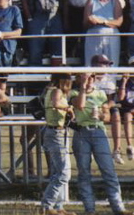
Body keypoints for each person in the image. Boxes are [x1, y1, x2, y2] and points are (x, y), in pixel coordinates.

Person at [70, 73, 134, 215]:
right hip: (81, 133)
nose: (89, 80)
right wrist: (83, 87)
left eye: (92, 77)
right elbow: (79, 105)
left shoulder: (100, 94)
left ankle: (118, 207)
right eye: (86, 77)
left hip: (99, 131)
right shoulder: (73, 93)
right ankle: (89, 208)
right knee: (84, 172)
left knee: (108, 170)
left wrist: (100, 115)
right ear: (78, 79)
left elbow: (107, 116)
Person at [40, 73, 75, 215]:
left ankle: (58, 207)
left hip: (56, 132)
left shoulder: (48, 90)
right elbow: (55, 103)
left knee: (57, 172)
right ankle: (47, 205)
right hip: (56, 134)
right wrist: (69, 108)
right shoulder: (57, 91)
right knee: (64, 173)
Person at [83, 0, 123, 67]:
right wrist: (90, 21)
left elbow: (119, 22)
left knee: (112, 62)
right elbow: (85, 23)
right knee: (93, 62)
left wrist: (102, 21)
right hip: (94, 35)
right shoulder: (90, 2)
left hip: (111, 36)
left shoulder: (115, 2)